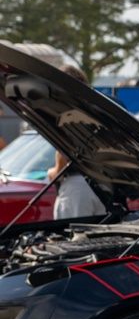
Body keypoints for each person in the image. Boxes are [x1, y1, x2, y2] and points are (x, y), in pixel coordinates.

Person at [46, 64, 107, 219]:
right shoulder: (99, 110)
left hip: (77, 187)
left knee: (71, 240)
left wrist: (54, 172)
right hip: (105, 186)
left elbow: (65, 151)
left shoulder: (67, 113)